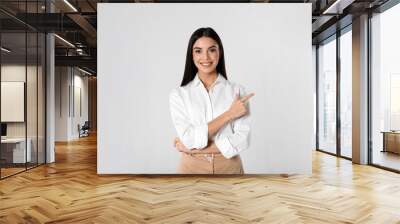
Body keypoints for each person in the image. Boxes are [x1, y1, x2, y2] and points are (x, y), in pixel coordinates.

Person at [169, 27, 254, 174]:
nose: (206, 57)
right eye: (198, 51)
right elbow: (189, 138)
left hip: (229, 168)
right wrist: (229, 114)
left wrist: (192, 149)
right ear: (191, 55)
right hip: (191, 169)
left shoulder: (238, 92)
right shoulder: (179, 94)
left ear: (219, 52)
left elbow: (242, 139)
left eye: (211, 50)